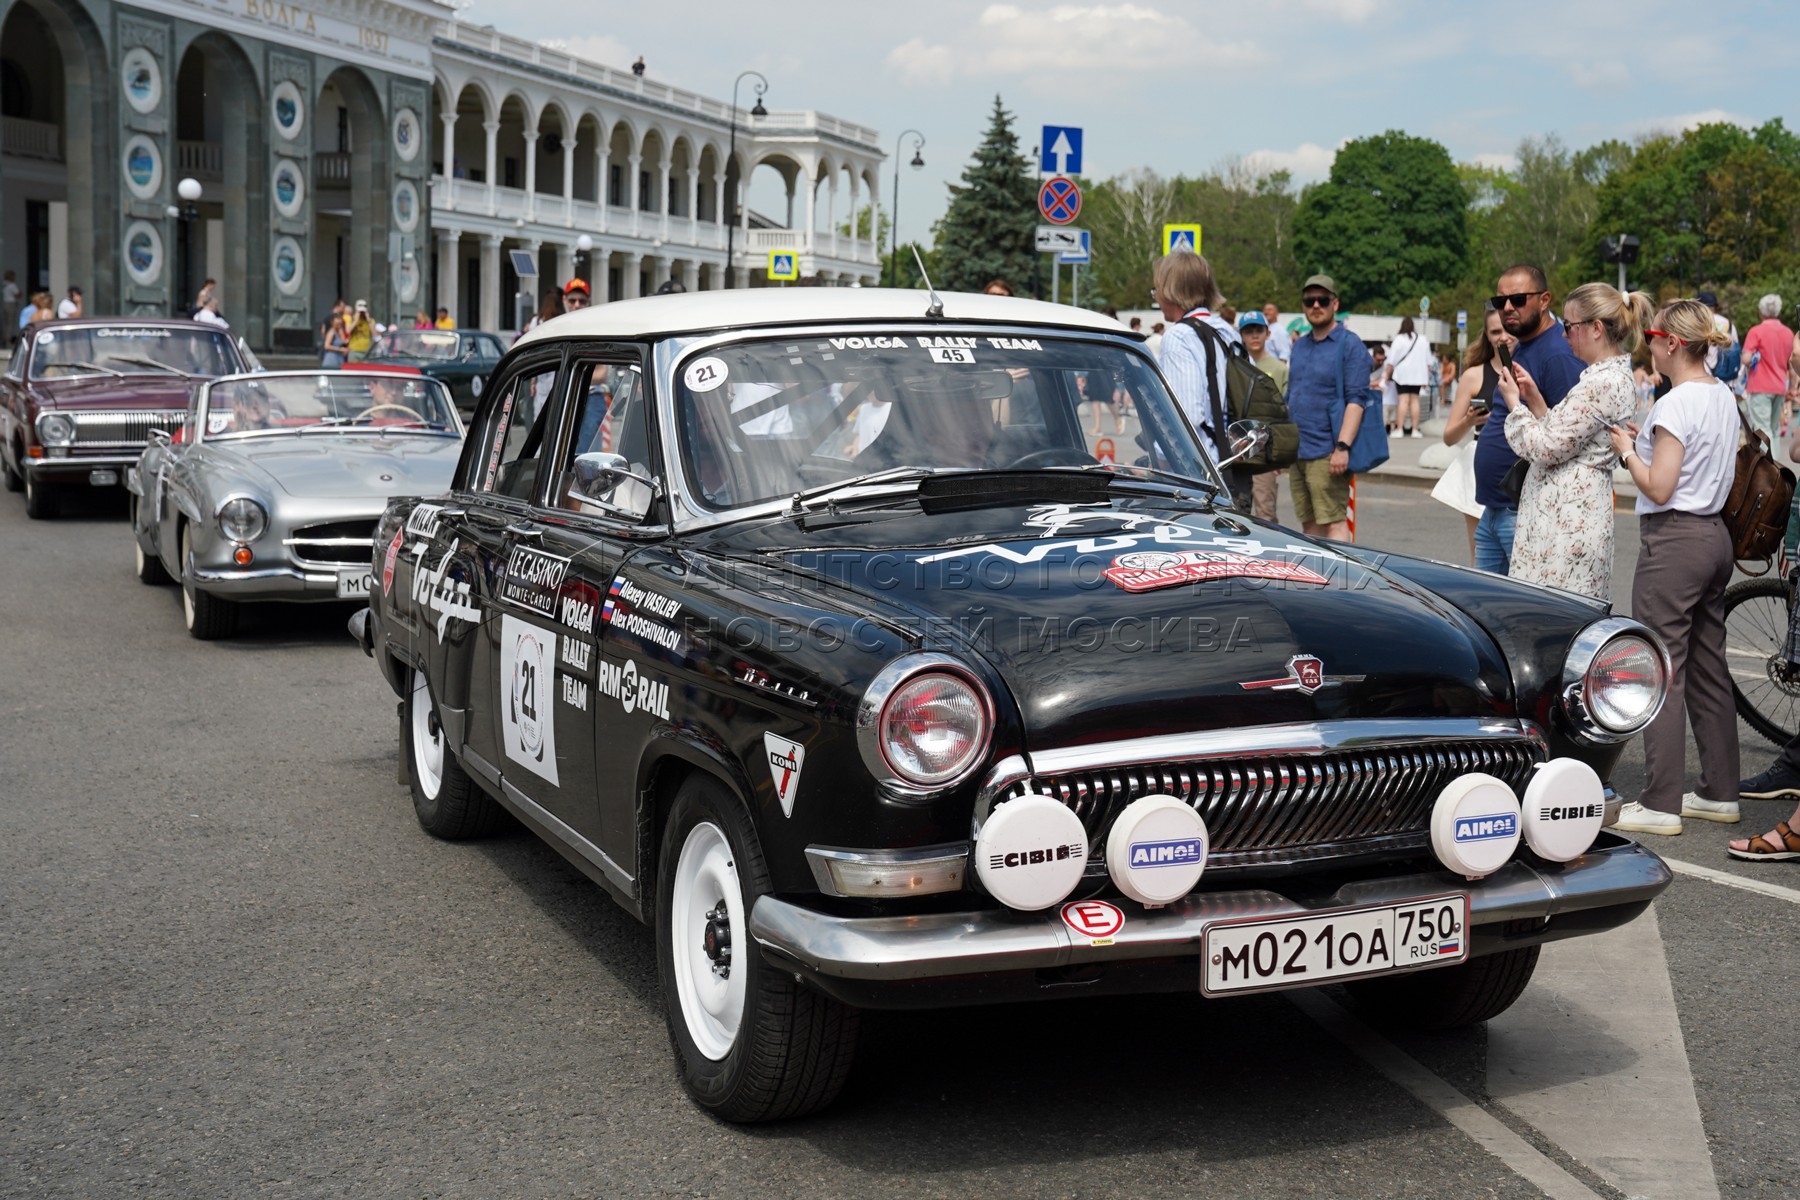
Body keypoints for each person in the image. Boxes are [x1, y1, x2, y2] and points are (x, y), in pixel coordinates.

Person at [1604, 299, 1741, 836]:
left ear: (1672, 344)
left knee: (1663, 667)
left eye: (1653, 337)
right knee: (1709, 666)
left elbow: (1659, 485)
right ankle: (1719, 790)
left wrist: (1625, 450)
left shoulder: (1674, 403)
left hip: (1676, 539)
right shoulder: (1722, 395)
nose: (1649, 346)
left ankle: (1661, 800)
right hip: (1714, 537)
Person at [1497, 283, 1650, 601]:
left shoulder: (1602, 383)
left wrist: (1514, 404)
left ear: (1595, 328)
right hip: (1567, 514)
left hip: (1567, 522)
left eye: (1569, 326)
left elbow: (1546, 448)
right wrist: (1536, 401)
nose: (1564, 334)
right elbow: (1568, 436)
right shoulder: (1602, 377)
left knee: (1555, 618)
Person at [1472, 265, 1586, 574]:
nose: (1507, 308)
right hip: (1494, 509)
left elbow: (1567, 436)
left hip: (1524, 511)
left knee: (1519, 615)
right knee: (1482, 611)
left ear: (1545, 299)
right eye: (1501, 301)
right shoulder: (1522, 345)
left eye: (1519, 299)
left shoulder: (1558, 354)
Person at [1284, 274, 1373, 541]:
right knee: (1309, 526)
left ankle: (1341, 582)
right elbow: (1293, 396)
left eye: (1322, 300)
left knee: (1334, 523)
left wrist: (1343, 447)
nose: (1315, 306)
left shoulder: (1349, 344)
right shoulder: (1299, 346)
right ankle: (1317, 582)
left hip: (1327, 452)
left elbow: (1357, 400)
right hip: (1298, 452)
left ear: (1335, 304)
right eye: (1309, 300)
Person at [1150, 250, 1239, 473]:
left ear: (1171, 291)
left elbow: (1185, 414)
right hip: (1233, 462)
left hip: (1197, 468)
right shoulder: (1227, 332)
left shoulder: (1178, 337)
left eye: (1156, 290)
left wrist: (1161, 460)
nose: (1156, 297)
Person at [1437, 305, 1512, 562]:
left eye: (1507, 329)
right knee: (1481, 556)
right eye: (1495, 331)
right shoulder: (1474, 375)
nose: (1503, 337)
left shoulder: (1532, 368)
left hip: (1525, 466)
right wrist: (1469, 420)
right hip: (1481, 467)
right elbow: (1449, 437)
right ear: (1487, 336)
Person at [1237, 309, 1287, 524]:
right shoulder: (1234, 366)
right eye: (1249, 331)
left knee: (1265, 513)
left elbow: (1283, 415)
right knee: (1237, 511)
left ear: (1268, 334)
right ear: (1241, 335)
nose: (1254, 336)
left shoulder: (1279, 368)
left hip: (1264, 451)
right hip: (1237, 449)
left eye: (1259, 330)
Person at [1740, 293, 1793, 444]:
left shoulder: (1756, 331)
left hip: (1760, 387)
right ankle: (1775, 465)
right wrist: (1793, 388)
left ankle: (1768, 466)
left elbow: (1746, 359)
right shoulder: (1788, 332)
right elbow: (1792, 362)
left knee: (1762, 429)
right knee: (1774, 429)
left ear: (1761, 312)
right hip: (1780, 386)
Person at [1385, 317, 1431, 437]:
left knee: (1403, 401)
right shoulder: (1423, 339)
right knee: (1415, 401)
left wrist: (1386, 375)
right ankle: (1415, 429)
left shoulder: (1399, 339)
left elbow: (1391, 360)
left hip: (1402, 374)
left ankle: (1399, 429)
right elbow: (1429, 362)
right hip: (1418, 375)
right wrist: (1427, 378)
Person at [320, 304, 348, 369]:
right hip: (331, 358)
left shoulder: (339, 331)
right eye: (337, 324)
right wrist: (340, 349)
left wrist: (341, 333)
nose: (339, 325)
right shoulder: (332, 332)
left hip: (339, 358)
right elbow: (327, 346)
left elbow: (343, 342)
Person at [2, 270, 18, 339]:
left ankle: (4, 338)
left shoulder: (3, 285)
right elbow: (17, 294)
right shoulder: (12, 285)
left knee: (5, 322)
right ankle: (8, 339)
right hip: (11, 303)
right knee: (10, 323)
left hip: (4, 303)